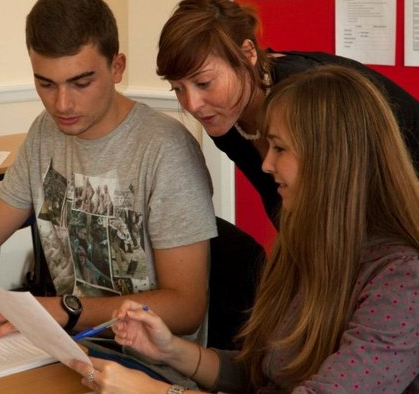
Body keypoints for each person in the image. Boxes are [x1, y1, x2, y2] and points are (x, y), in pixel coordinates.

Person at [69, 65, 419, 393]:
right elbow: (259, 373)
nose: (266, 163)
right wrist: (172, 350)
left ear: (332, 162)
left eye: (280, 148)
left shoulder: (403, 279)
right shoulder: (303, 245)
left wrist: (157, 390)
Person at [0, 0, 217, 344]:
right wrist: (58, 315)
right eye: (45, 83)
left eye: (81, 82)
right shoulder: (44, 134)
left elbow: (186, 308)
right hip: (71, 346)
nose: (62, 104)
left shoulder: (164, 149)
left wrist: (61, 310)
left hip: (150, 364)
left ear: (117, 67)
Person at [155, 0, 419, 224]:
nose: (192, 104)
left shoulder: (304, 95)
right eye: (177, 88)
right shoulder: (225, 116)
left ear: (247, 54)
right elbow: (282, 209)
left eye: (203, 83)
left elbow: (343, 213)